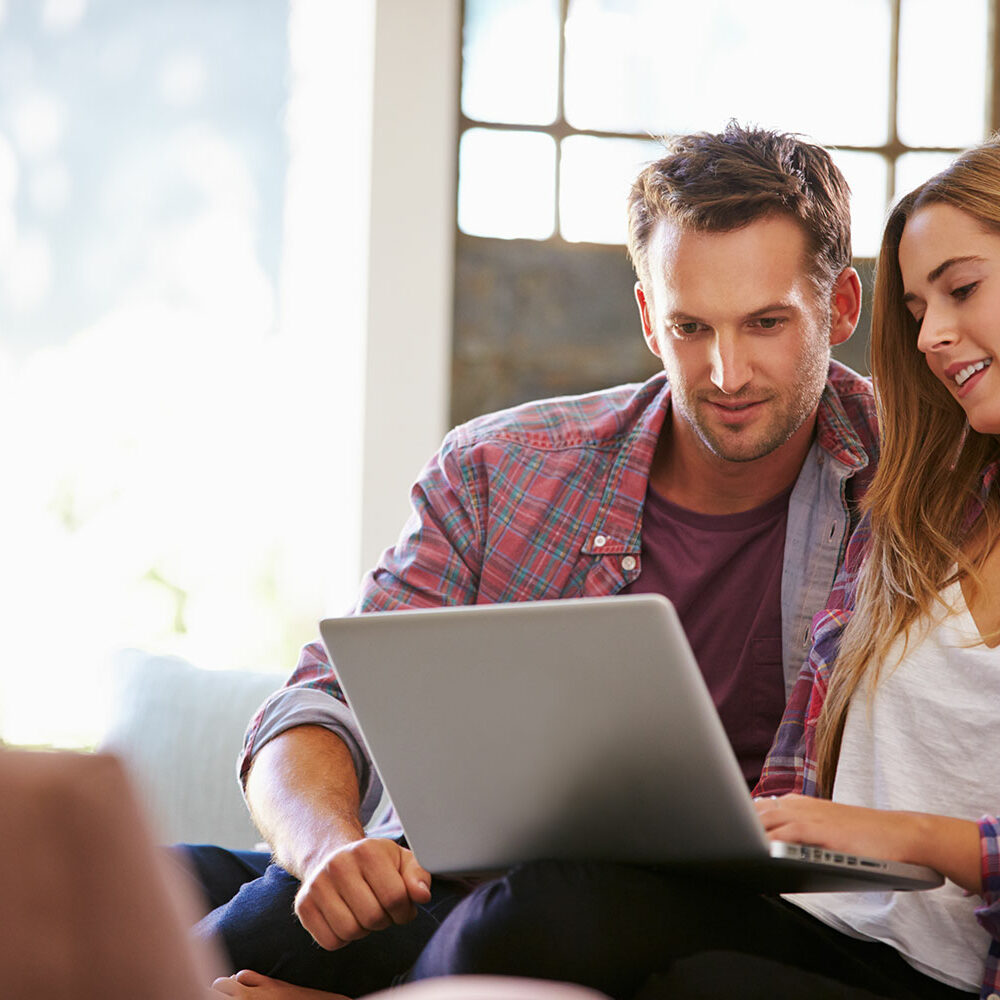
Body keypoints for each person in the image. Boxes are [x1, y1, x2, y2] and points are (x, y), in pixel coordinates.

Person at [196, 122, 878, 999]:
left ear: (842, 308)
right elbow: (321, 701)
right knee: (231, 912)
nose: (726, 371)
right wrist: (329, 846)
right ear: (646, 318)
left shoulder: (910, 493)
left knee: (539, 912)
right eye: (689, 327)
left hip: (686, 916)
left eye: (768, 323)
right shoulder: (500, 470)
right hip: (448, 876)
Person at [401, 141, 1000, 998]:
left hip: (939, 971)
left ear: (835, 310)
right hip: (824, 925)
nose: (934, 333)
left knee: (573, 924)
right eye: (918, 306)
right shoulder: (913, 494)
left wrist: (908, 836)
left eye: (964, 288)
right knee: (540, 905)